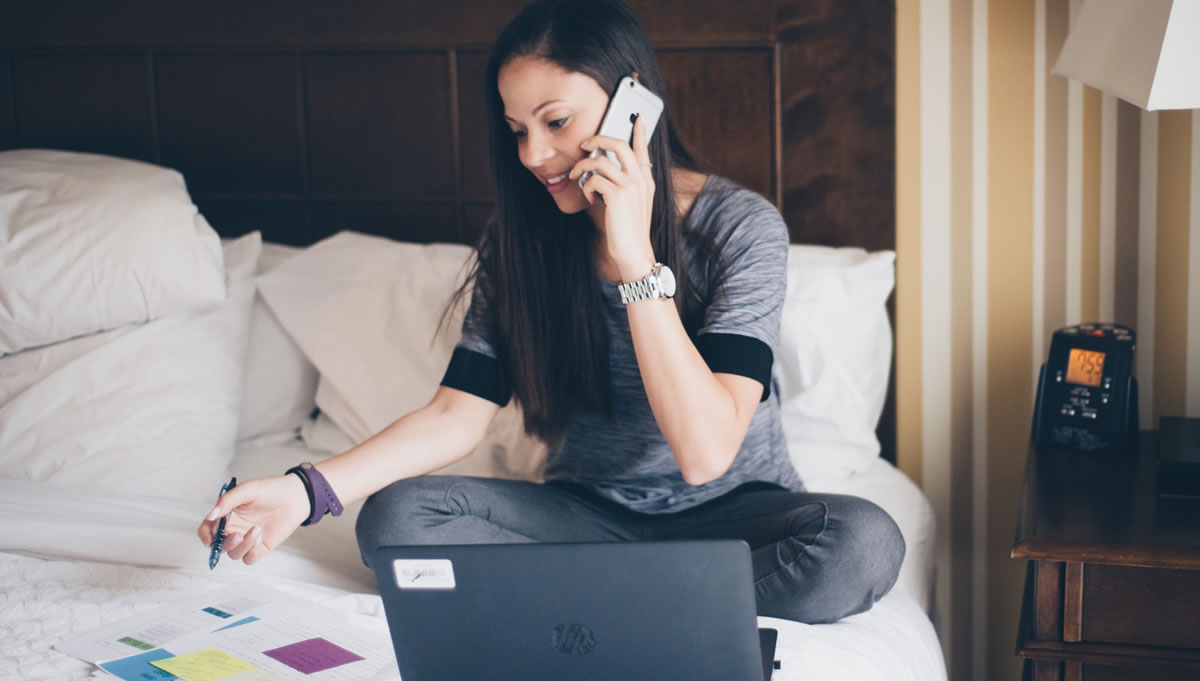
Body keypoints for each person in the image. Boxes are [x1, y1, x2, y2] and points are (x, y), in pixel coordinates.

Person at [197, 0, 904, 624]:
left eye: (555, 121)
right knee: (396, 518)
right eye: (516, 129)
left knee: (862, 544)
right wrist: (305, 491)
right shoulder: (522, 243)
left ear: (635, 103)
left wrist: (634, 257)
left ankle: (580, 598)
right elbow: (455, 415)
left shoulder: (741, 229)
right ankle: (671, 597)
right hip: (585, 514)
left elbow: (705, 452)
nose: (534, 154)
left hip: (740, 516)